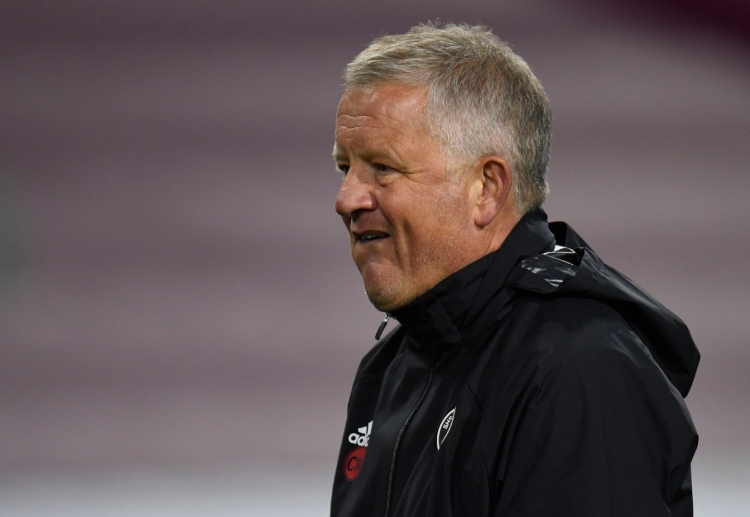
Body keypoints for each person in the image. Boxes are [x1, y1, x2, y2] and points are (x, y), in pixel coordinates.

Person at [330, 23, 699, 517]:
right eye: (345, 168)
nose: (347, 199)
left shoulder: (577, 372)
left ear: (486, 188)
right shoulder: (390, 367)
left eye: (383, 168)